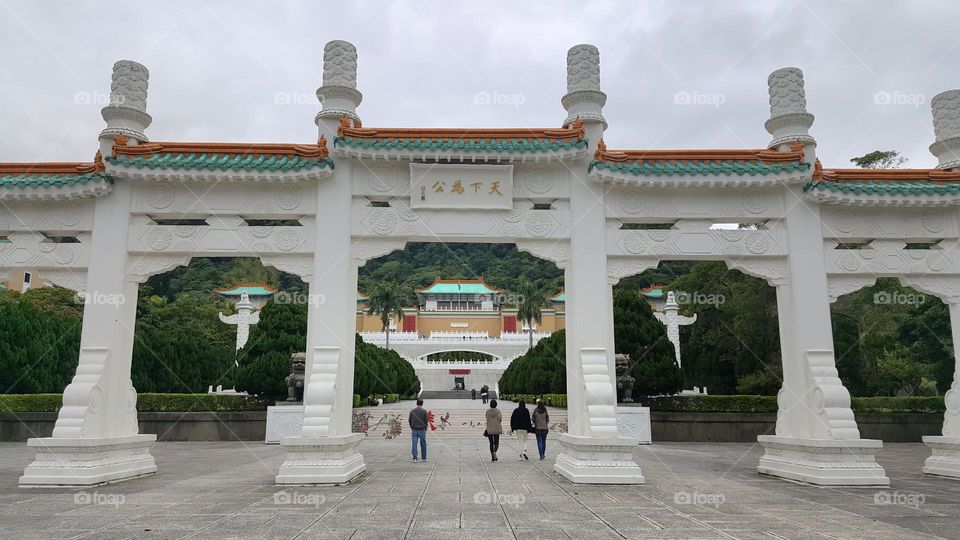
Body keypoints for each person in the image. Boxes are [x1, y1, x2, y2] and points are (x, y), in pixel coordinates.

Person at [408, 398, 428, 462]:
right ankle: (424, 458)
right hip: (422, 429)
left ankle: (415, 458)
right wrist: (425, 427)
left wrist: (411, 426)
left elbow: (409, 420)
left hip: (414, 429)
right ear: (422, 404)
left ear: (416, 403)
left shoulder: (412, 411)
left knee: (414, 443)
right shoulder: (424, 411)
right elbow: (426, 421)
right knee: (423, 444)